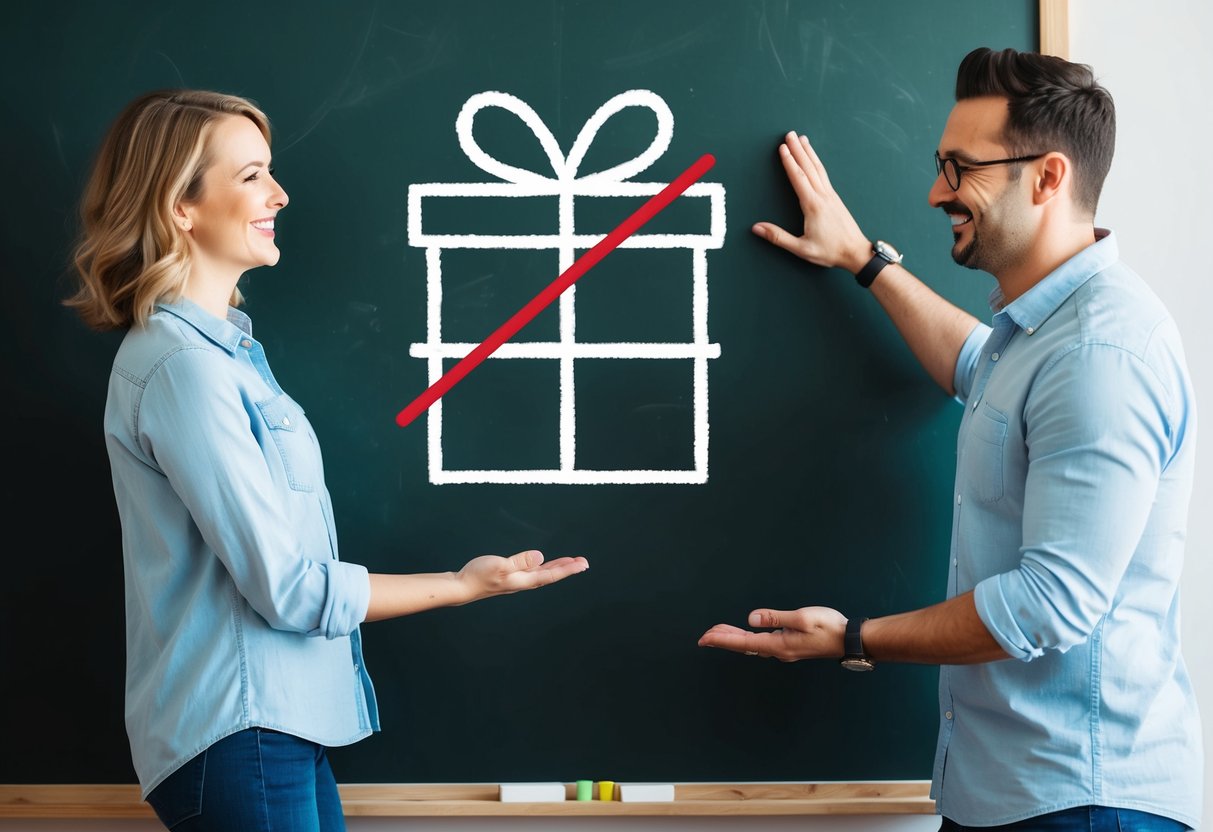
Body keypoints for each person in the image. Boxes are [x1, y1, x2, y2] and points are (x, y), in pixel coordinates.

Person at [698, 47, 1200, 831]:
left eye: (960, 168)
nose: (937, 192)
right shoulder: (1036, 336)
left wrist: (854, 639)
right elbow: (973, 365)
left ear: (1047, 177)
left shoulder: (1098, 352)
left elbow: (1051, 602)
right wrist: (862, 259)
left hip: (1080, 802)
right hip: (1011, 794)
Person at [65, 89, 590, 832]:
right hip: (241, 729)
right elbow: (284, 589)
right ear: (180, 206)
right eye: (251, 175)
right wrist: (463, 586)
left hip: (275, 727)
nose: (279, 194)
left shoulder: (225, 358)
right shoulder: (187, 369)